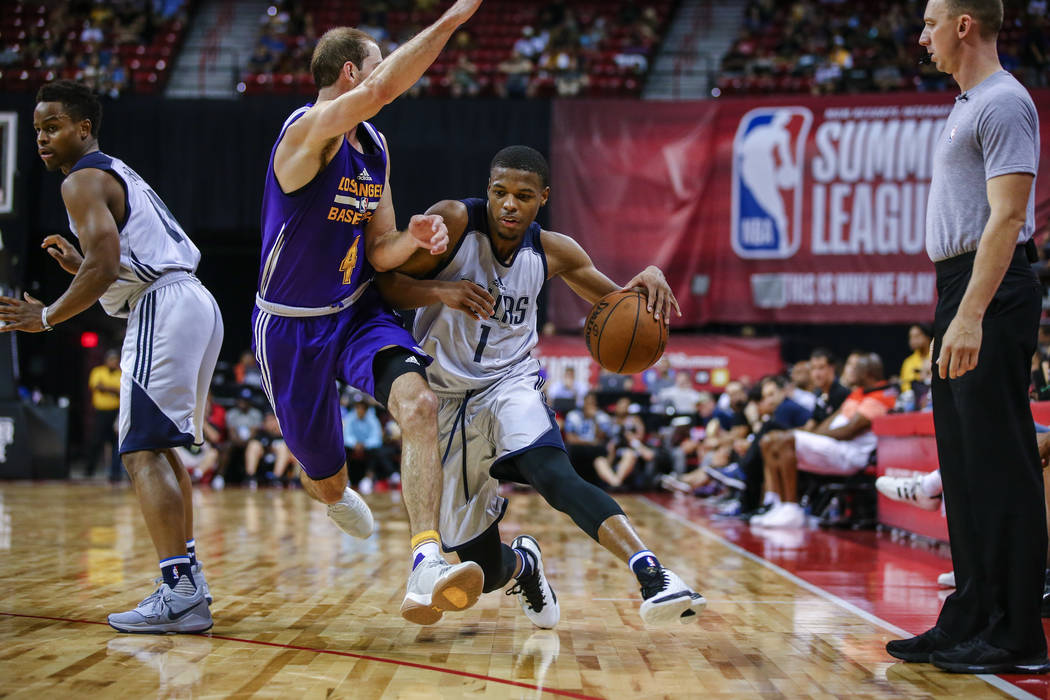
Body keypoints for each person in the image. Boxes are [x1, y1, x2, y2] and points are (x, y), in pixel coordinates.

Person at [376, 145, 706, 628]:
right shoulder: (455, 223)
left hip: (508, 385)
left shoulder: (554, 251)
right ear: (488, 190)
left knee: (554, 475)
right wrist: (441, 291)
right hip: (442, 398)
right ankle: (524, 568)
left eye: (523, 196)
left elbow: (618, 303)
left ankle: (655, 573)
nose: (510, 204)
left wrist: (650, 275)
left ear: (543, 198)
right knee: (483, 570)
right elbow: (388, 284)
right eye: (500, 192)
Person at [253, 0, 486, 626]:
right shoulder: (307, 134)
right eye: (377, 69)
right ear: (352, 73)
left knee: (421, 404)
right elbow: (385, 87)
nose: (388, 86)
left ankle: (425, 561)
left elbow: (382, 252)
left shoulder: (375, 149)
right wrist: (452, 20)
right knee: (327, 480)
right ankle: (332, 491)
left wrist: (414, 239)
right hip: (290, 325)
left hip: (356, 308)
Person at [1, 80, 224, 633]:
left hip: (165, 305)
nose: (42, 140)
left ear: (84, 128)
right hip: (193, 300)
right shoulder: (116, 171)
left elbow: (104, 267)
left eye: (52, 127)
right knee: (163, 451)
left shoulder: (80, 181)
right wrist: (83, 262)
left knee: (140, 452)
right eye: (35, 131)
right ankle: (187, 582)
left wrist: (47, 315)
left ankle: (180, 591)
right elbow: (114, 265)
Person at [885, 0, 1048, 675]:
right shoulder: (965, 104)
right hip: (961, 285)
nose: (919, 36)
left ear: (962, 25)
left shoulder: (1004, 102)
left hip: (993, 289)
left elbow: (1008, 218)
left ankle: (1019, 635)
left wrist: (973, 312)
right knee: (964, 466)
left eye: (929, 23)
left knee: (1000, 464)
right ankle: (973, 617)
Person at [86, 348, 122, 481]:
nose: (113, 362)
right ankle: (89, 469)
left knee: (116, 443)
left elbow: (122, 391)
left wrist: (106, 388)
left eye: (115, 359)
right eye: (111, 359)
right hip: (101, 412)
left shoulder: (121, 374)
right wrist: (113, 390)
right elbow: (96, 387)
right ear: (106, 360)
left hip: (115, 412)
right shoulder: (98, 371)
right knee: (96, 441)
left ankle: (115, 472)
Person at [899, 323, 933, 393]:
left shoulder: (936, 358)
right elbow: (904, 387)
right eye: (911, 337)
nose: (912, 340)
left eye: (917, 336)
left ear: (927, 336)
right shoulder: (908, 362)